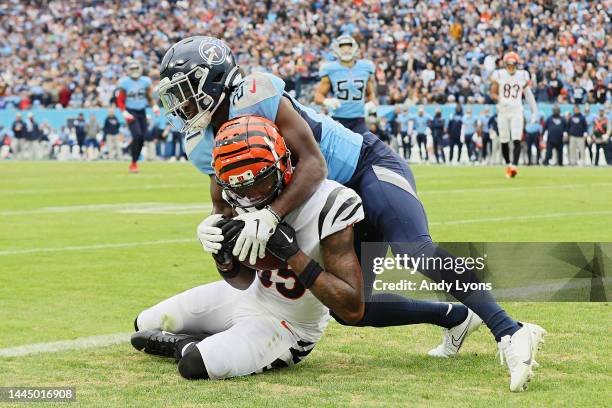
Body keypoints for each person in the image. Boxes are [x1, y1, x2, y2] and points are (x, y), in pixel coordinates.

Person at [158, 37, 546, 391]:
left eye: (185, 92)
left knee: (414, 249)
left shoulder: (256, 95)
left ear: (214, 81)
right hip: (328, 202)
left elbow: (313, 164)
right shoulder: (200, 142)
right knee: (350, 306)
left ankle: (509, 331)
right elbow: (223, 203)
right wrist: (214, 231)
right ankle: (456, 317)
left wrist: (272, 214)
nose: (181, 105)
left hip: (363, 169)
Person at [131, 116, 488, 379]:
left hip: (290, 326)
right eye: (241, 187)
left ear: (284, 163)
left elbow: (351, 307)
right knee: (144, 322)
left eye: (260, 181)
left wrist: (294, 255)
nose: (251, 195)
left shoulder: (332, 201)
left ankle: (188, 343)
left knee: (194, 363)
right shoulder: (238, 194)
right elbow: (241, 281)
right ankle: (208, 338)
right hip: (250, 296)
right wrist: (223, 257)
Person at [313, 35, 377, 135]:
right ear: (336, 49)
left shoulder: (366, 67)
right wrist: (326, 101)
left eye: (349, 47)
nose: (346, 50)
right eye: (342, 48)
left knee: (364, 146)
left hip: (359, 119)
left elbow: (371, 94)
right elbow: (317, 97)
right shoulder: (330, 69)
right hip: (338, 118)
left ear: (355, 48)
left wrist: (371, 103)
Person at [490, 52, 539, 178]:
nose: (511, 68)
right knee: (504, 139)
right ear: (505, 65)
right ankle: (508, 164)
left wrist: (535, 110)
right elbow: (493, 93)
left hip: (517, 110)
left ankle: (514, 166)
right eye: (509, 65)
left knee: (517, 138)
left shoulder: (522, 75)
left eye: (513, 65)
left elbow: (528, 94)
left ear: (517, 65)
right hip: (503, 110)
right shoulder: (499, 74)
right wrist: (501, 100)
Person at [115, 59, 160, 172]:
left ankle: (134, 162)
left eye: (136, 68)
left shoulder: (145, 81)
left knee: (142, 137)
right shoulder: (124, 82)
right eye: (132, 69)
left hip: (142, 111)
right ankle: (133, 162)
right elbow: (120, 100)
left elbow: (149, 97)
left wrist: (154, 106)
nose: (134, 71)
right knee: (137, 136)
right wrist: (124, 112)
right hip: (131, 112)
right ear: (128, 70)